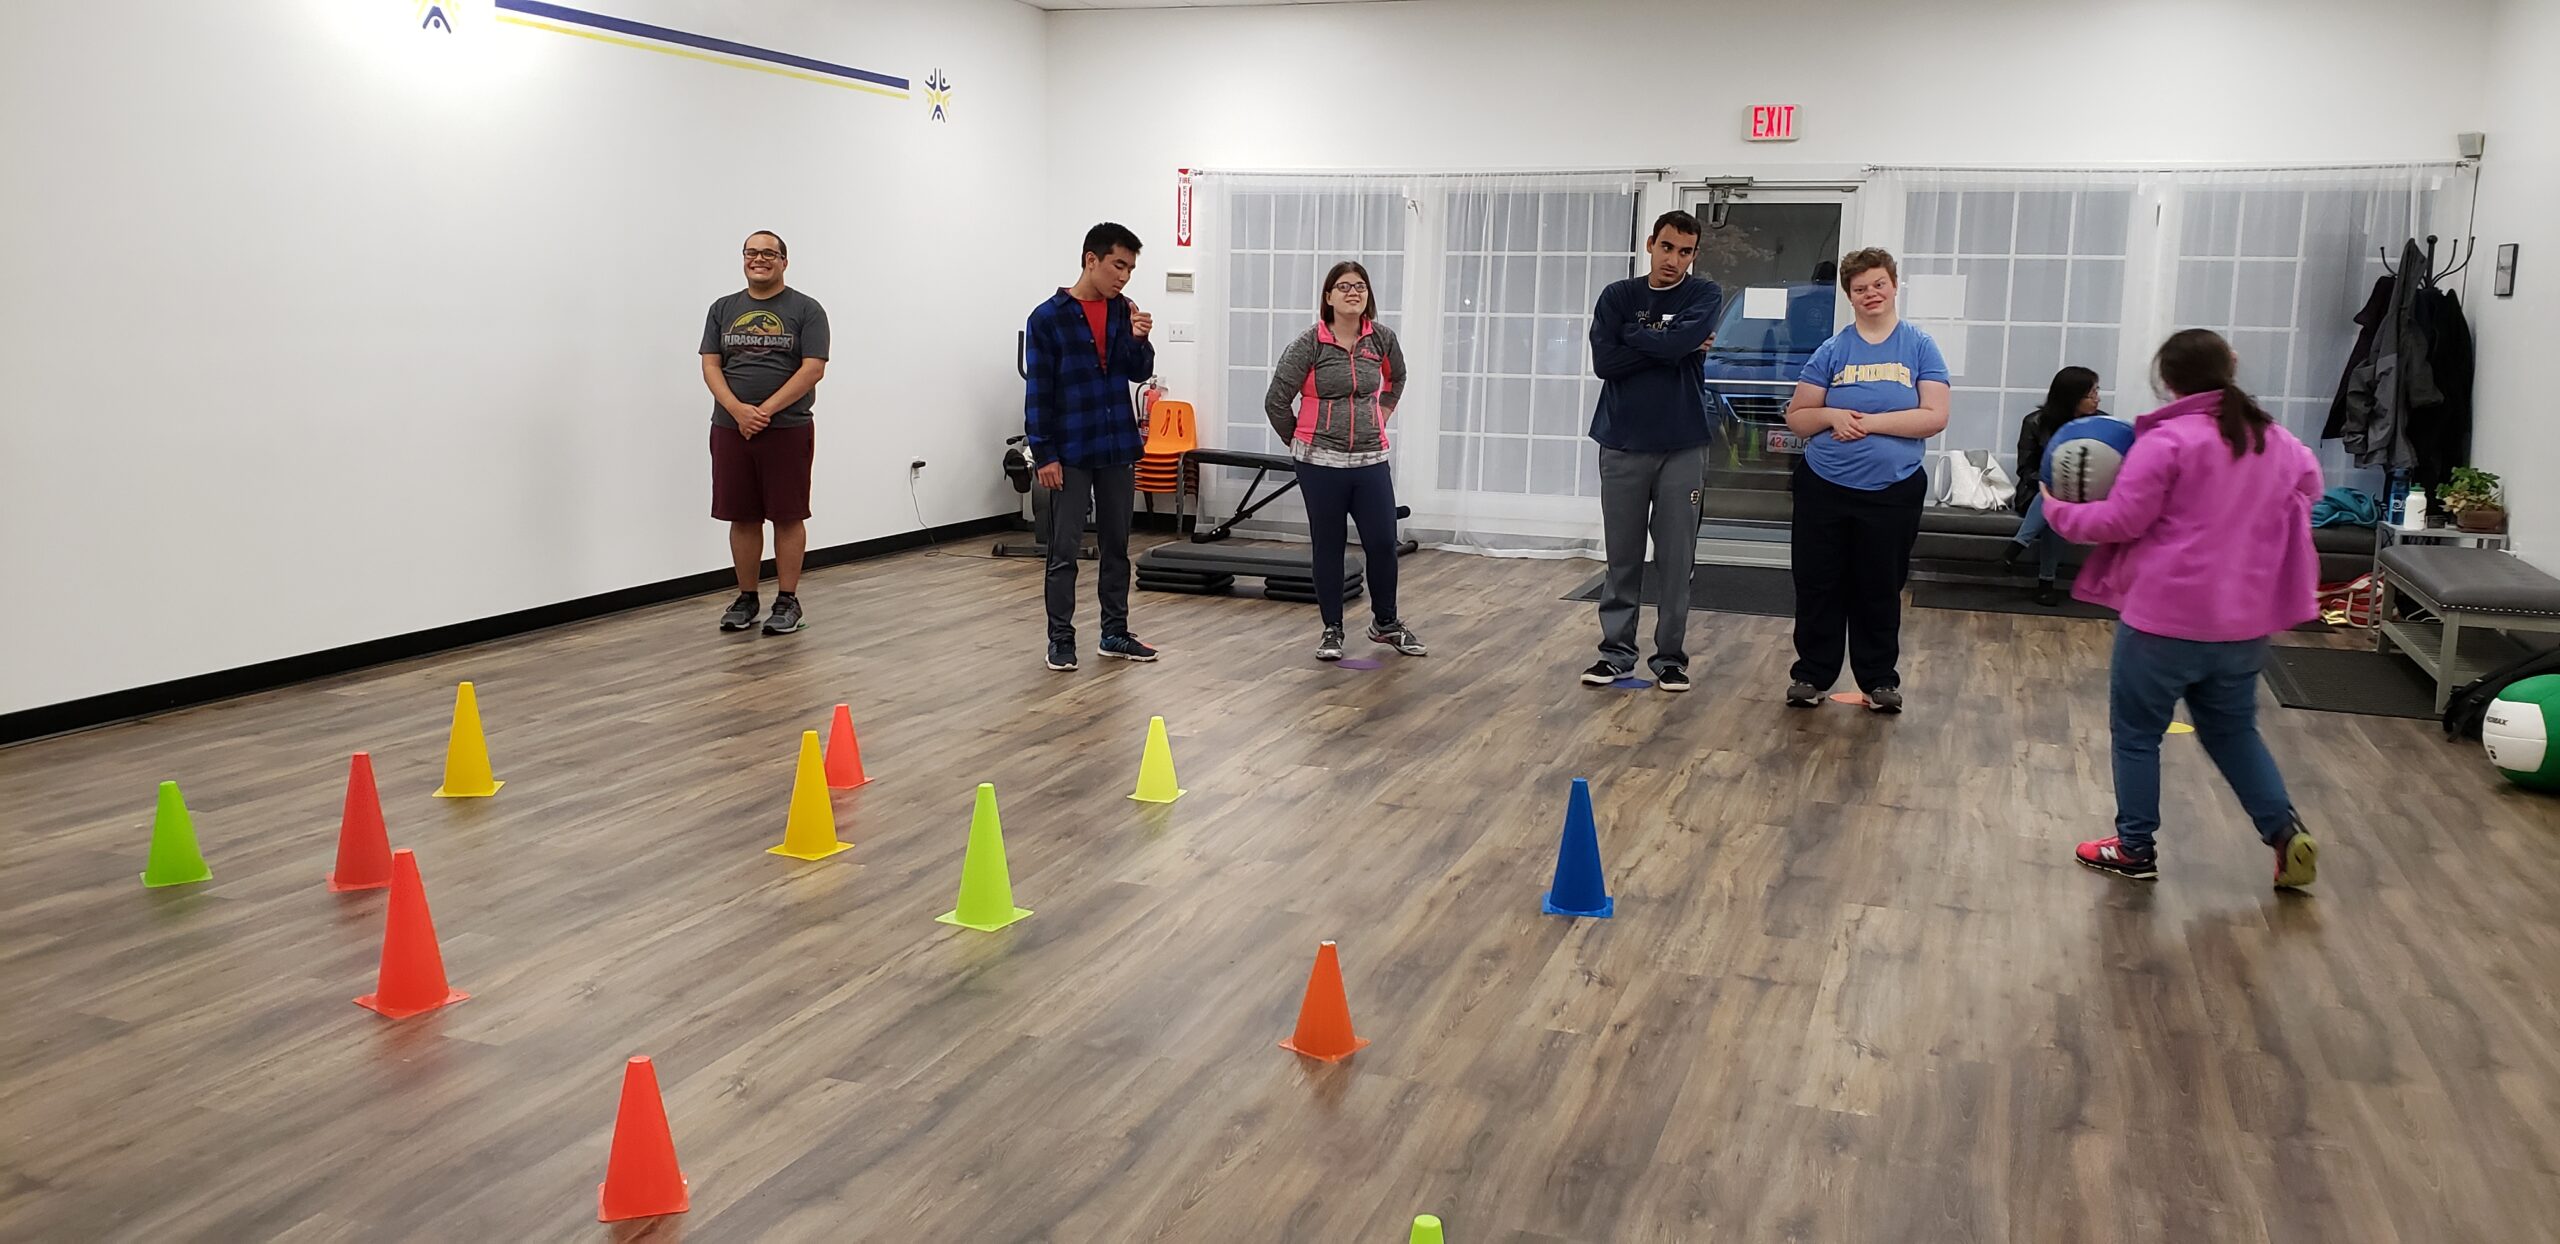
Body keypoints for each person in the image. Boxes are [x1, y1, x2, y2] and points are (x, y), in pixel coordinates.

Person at [2042, 329, 2322, 890]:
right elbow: (2310, 487)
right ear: (2229, 369)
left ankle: (2134, 848)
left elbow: (2120, 522)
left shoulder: (2168, 442)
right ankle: (2285, 834)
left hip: (2164, 620)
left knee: (2137, 733)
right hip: (2242, 624)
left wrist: (2057, 511)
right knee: (2234, 731)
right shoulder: (2276, 438)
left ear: (2167, 381)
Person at [1781, 248, 1949, 713]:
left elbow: (1934, 417)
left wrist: (1870, 422)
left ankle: (1879, 680)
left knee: (1879, 585)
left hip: (1892, 492)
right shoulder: (1833, 350)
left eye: (1878, 284)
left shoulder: (1919, 347)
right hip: (1825, 488)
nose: (1870, 294)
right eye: (1860, 289)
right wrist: (1832, 413)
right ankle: (1812, 675)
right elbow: (1798, 418)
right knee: (1818, 583)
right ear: (1849, 297)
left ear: (1894, 285)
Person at [1580, 210, 1725, 693]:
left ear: (1694, 255)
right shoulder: (1618, 296)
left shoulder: (1704, 294)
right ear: (1650, 244)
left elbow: (1674, 342)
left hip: (1683, 445)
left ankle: (1669, 658)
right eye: (1667, 247)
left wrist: (1637, 337)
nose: (1674, 259)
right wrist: (1673, 344)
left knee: (1675, 558)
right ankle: (1616, 654)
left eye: (1685, 251)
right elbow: (1605, 363)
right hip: (1621, 442)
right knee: (1622, 557)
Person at [1264, 261, 1424, 661]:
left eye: (1360, 286)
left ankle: (1385, 623)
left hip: (1371, 461)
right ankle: (1332, 628)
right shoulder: (1310, 344)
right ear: (1328, 297)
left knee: (1383, 543)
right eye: (1344, 287)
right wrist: (1302, 442)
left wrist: (1382, 413)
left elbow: (1398, 378)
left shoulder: (1381, 339)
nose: (1353, 293)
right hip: (1319, 464)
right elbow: (1276, 401)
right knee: (1329, 545)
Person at [1024, 223, 1159, 672]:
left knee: (1117, 544)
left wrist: (1140, 339)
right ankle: (1061, 639)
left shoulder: (1124, 311)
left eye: (1130, 268)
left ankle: (1115, 633)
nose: (1124, 276)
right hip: (1070, 448)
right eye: (1118, 265)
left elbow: (1135, 371)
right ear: (1091, 260)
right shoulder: (1048, 317)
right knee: (1064, 550)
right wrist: (1044, 453)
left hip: (1117, 444)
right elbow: (1039, 391)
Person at [701, 230, 829, 636]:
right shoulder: (722, 309)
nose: (760, 259)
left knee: (787, 515)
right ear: (743, 259)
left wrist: (765, 411)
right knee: (741, 515)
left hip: (787, 428)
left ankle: (788, 600)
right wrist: (738, 410)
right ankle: (747, 597)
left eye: (769, 253)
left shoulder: (807, 310)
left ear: (784, 262)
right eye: (752, 253)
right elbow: (710, 364)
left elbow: (813, 368)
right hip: (730, 428)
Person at [2006, 366, 2104, 607]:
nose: (2097, 399)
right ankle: (2046, 583)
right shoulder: (2035, 422)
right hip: (2036, 493)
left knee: (2059, 502)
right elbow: (2025, 470)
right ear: (2071, 396)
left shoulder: (2101, 424)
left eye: (2097, 392)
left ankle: (2017, 546)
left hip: (2083, 495)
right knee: (2055, 505)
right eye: (2091, 394)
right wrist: (2053, 482)